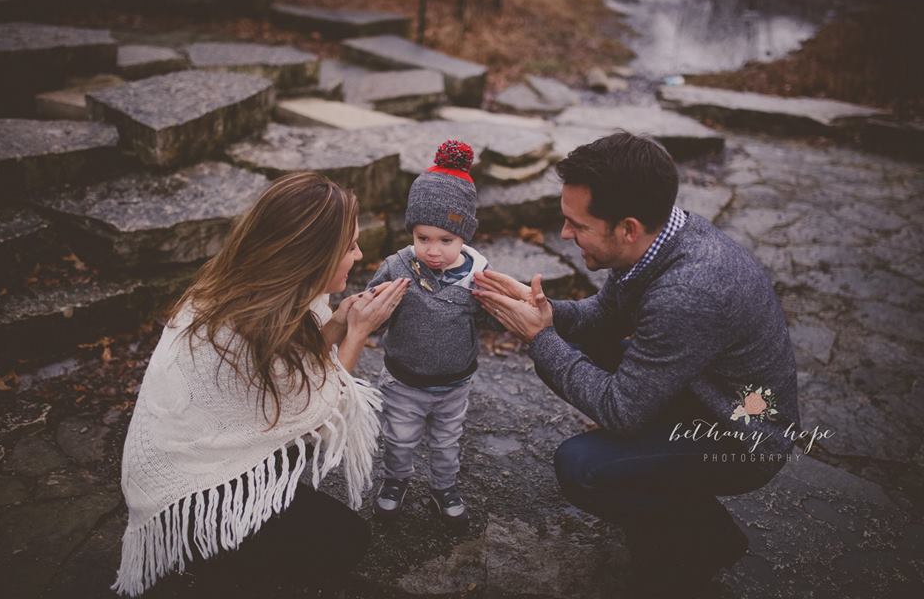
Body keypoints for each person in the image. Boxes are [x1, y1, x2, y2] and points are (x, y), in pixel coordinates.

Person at [473, 132, 800, 597]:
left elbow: (621, 410)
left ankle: (701, 545)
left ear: (627, 228)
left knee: (582, 466)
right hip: (706, 391)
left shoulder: (689, 289)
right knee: (593, 349)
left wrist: (538, 337)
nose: (565, 234)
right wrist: (545, 310)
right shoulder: (660, 238)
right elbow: (604, 317)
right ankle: (677, 507)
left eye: (577, 225)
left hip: (744, 435)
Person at [111, 172, 410, 597]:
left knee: (303, 487)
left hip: (194, 456)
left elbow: (294, 373)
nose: (359, 255)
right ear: (314, 254)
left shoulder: (263, 290)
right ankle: (219, 560)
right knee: (345, 541)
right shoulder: (248, 327)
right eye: (350, 247)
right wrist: (358, 335)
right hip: (192, 492)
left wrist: (339, 323)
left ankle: (227, 550)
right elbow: (319, 415)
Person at [367, 140, 500, 527]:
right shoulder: (397, 267)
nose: (433, 251)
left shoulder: (478, 276)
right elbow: (371, 310)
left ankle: (444, 485)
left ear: (464, 237)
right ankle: (395, 480)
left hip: (454, 383)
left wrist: (506, 307)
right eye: (422, 238)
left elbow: (492, 318)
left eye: (446, 240)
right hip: (404, 379)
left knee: (446, 441)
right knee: (400, 436)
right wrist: (372, 308)